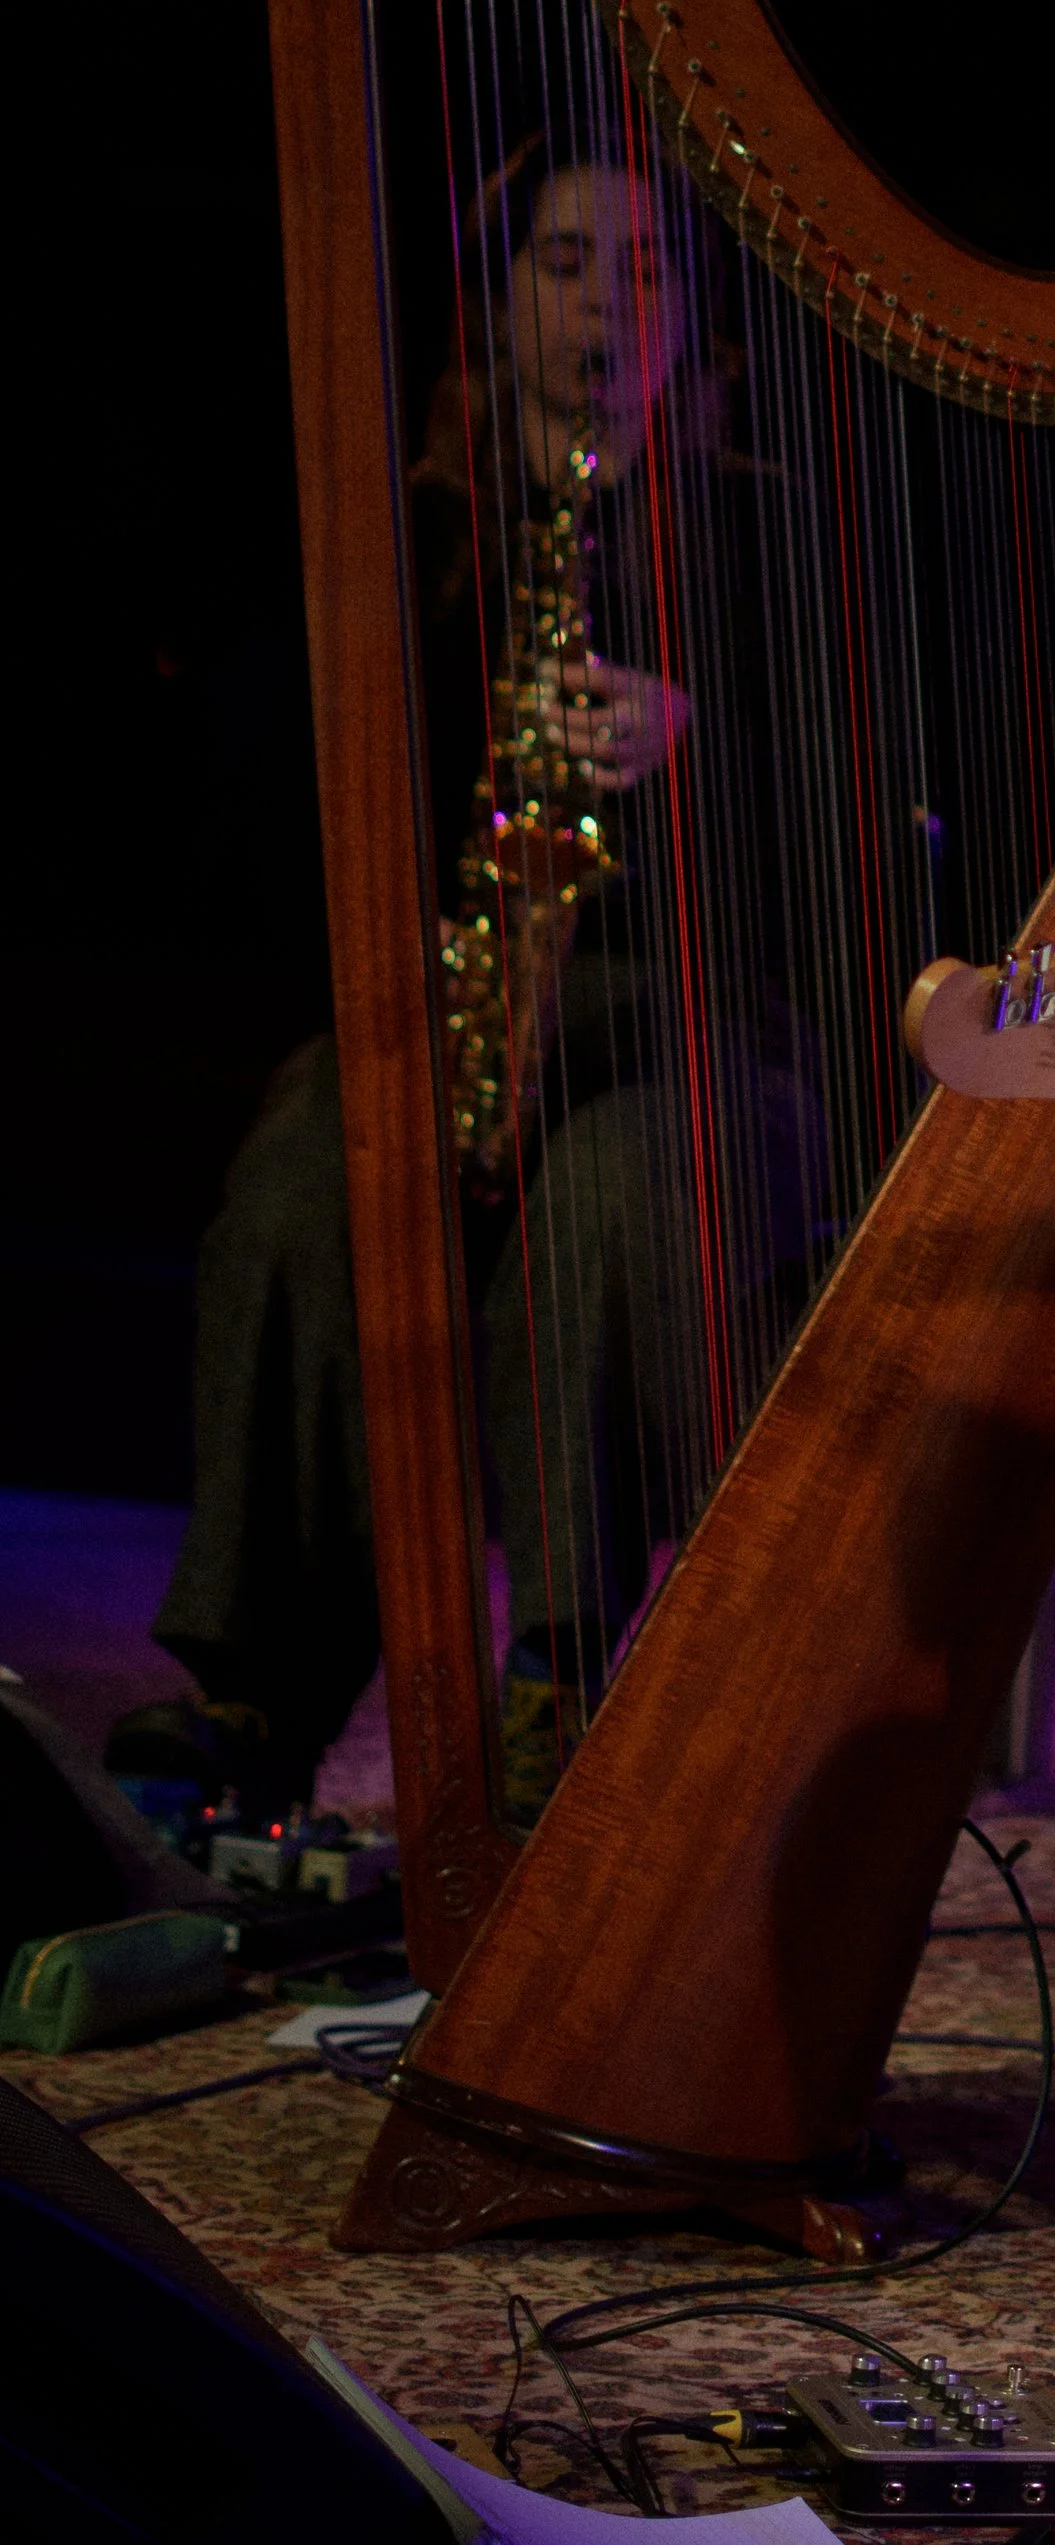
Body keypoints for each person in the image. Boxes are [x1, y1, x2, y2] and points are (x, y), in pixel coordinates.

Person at [119, 156, 825, 1824]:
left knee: (604, 1191)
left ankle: (557, 1676)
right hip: (454, 990)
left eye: (647, 273)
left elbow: (865, 834)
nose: (608, 304)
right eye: (568, 265)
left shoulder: (768, 526)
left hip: (695, 1015)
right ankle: (246, 1694)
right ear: (499, 305)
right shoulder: (399, 529)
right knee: (310, 1176)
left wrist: (693, 746)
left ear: (690, 321)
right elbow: (254, 813)